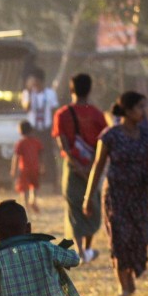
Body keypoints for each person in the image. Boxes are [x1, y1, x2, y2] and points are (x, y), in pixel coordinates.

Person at [83, 91, 148, 296]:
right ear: (127, 110)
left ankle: (131, 274)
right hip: (115, 195)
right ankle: (123, 285)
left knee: (140, 237)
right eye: (140, 107)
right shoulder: (110, 135)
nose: (144, 112)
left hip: (139, 195)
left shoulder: (147, 136)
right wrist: (88, 197)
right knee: (119, 239)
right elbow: (97, 167)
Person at [53, 73, 108, 262]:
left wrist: (76, 165)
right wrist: (91, 168)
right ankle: (88, 247)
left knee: (74, 206)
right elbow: (104, 142)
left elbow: (64, 145)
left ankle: (81, 252)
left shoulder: (62, 114)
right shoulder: (97, 114)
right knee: (91, 203)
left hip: (72, 167)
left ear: (71, 89)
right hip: (94, 166)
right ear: (90, 89)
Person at [20, 67, 59, 189]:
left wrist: (54, 127)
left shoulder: (50, 93)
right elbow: (26, 108)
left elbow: (54, 110)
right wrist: (31, 94)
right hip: (33, 130)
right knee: (33, 156)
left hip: (46, 128)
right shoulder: (27, 93)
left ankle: (53, 182)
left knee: (48, 155)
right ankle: (35, 183)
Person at [12, 120, 43, 213]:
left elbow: (16, 157)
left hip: (24, 168)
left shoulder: (20, 143)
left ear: (20, 131)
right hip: (35, 167)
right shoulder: (37, 142)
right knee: (34, 185)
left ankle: (25, 205)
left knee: (24, 188)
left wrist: (14, 169)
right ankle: (33, 200)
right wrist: (42, 166)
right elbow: (41, 155)